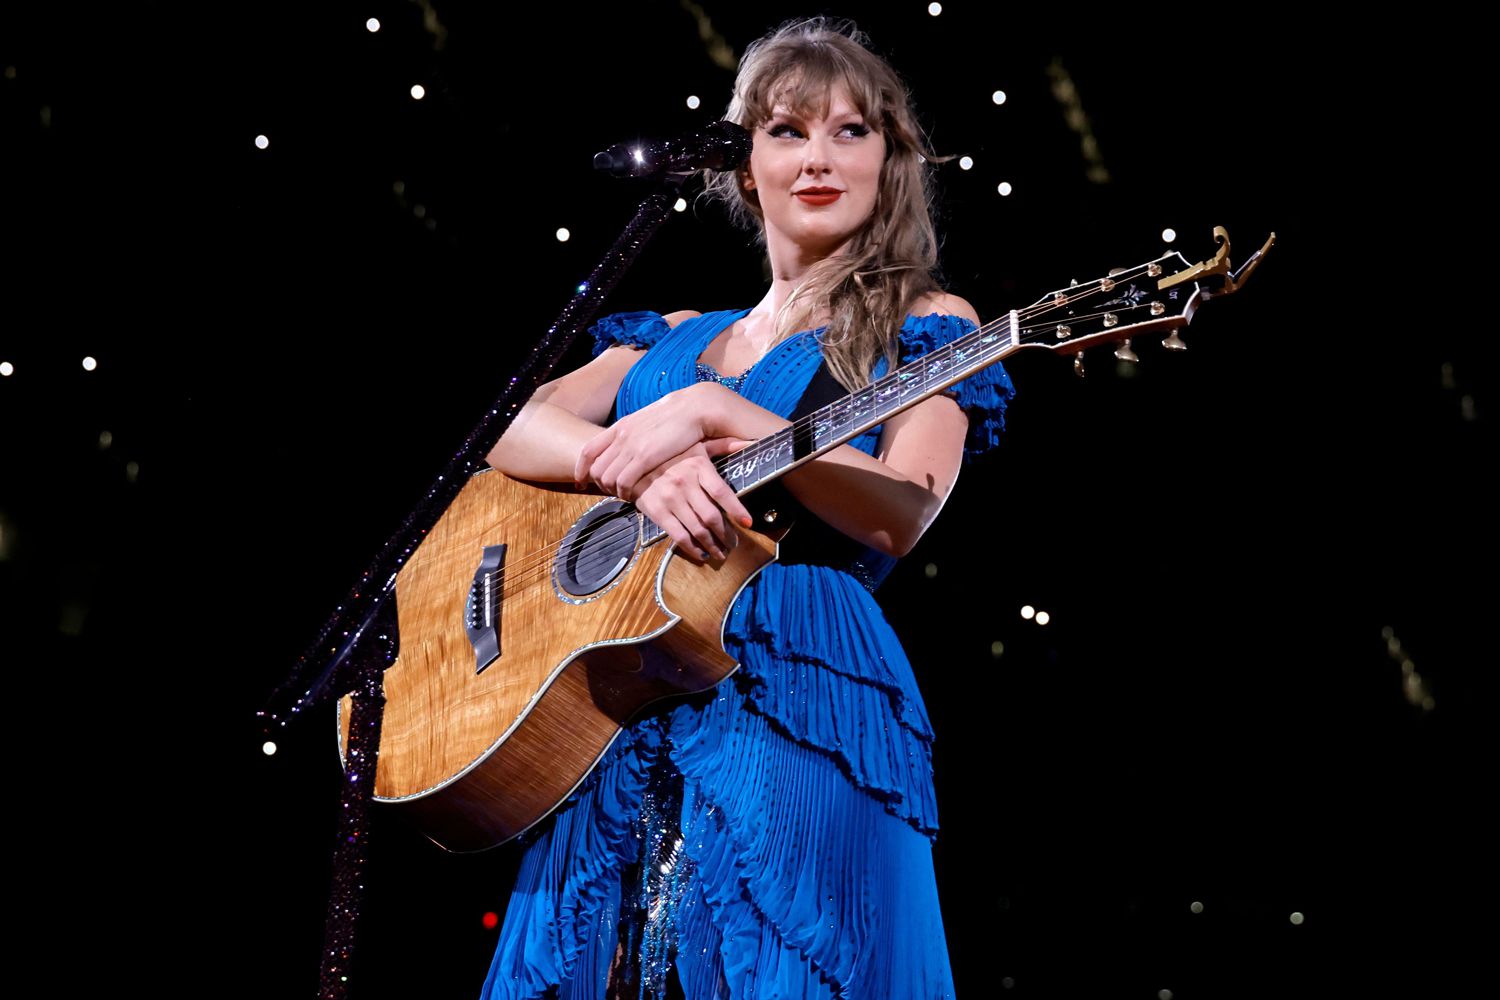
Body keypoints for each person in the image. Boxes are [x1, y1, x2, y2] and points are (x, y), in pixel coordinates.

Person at [480, 17, 1013, 999]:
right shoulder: (672, 332)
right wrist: (630, 468)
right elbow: (501, 430)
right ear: (741, 163)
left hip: (797, 677)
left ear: (891, 162)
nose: (818, 157)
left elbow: (904, 512)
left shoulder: (928, 323)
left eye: (852, 132)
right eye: (786, 130)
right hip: (610, 682)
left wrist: (718, 412)